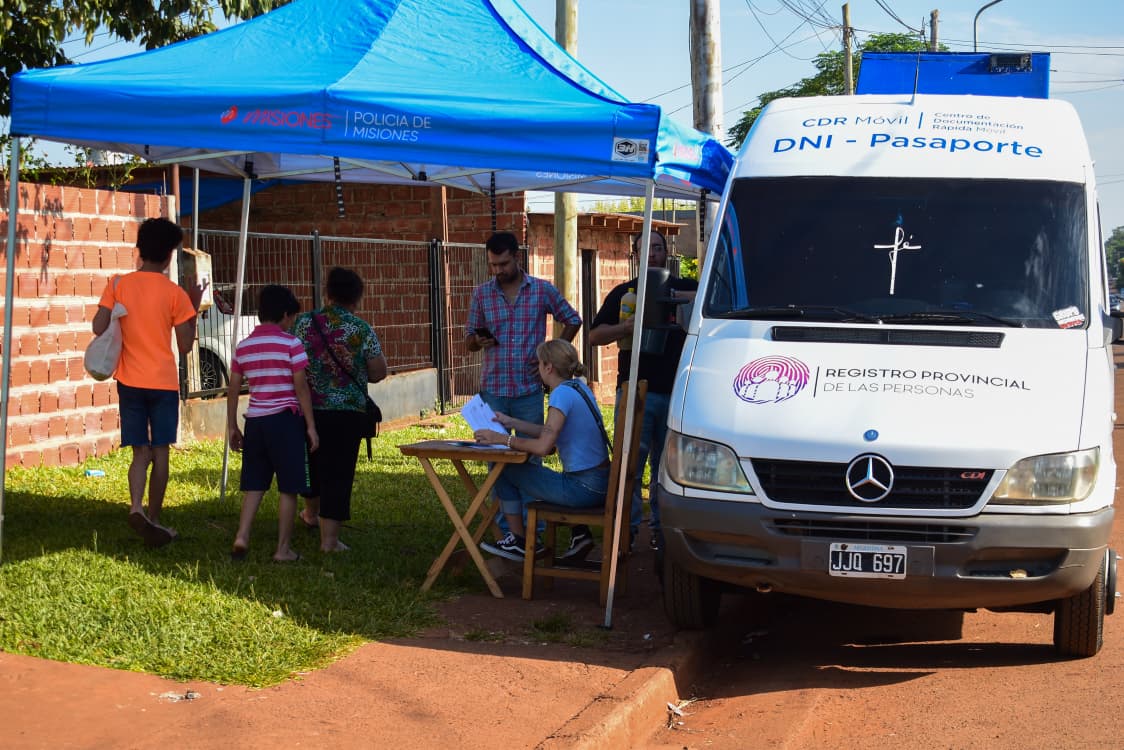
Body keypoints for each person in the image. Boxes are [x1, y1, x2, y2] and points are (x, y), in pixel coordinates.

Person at [92, 217, 205, 548]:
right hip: (163, 383)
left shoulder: (118, 284)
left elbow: (98, 327)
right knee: (161, 451)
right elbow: (185, 346)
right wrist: (192, 308)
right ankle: (154, 519)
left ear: (139, 250)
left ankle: (136, 508)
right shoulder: (175, 294)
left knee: (140, 451)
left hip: (129, 381)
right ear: (169, 255)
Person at [585, 229, 697, 556]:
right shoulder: (625, 293)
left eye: (658, 248)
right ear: (635, 255)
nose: (652, 254)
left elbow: (715, 300)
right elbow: (593, 336)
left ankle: (663, 534)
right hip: (635, 392)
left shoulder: (687, 288)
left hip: (677, 394)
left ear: (667, 252)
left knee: (668, 470)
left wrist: (677, 300)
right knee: (630, 464)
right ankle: (628, 532)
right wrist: (626, 327)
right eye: (645, 249)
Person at [465, 231, 582, 533]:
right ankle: (508, 532)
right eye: (493, 264)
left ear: (517, 257)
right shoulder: (482, 294)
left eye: (503, 263)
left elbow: (573, 319)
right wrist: (477, 341)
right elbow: (468, 340)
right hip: (494, 389)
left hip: (529, 390)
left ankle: (533, 530)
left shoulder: (541, 290)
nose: (498, 270)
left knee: (530, 460)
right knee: (497, 461)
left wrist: (552, 354)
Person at [474, 340, 610, 561]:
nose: (537, 369)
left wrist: (501, 439)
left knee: (503, 468)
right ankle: (579, 533)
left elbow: (543, 447)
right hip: (600, 483)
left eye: (538, 364)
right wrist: (512, 422)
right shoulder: (578, 387)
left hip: (584, 488)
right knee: (515, 468)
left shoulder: (560, 394)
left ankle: (518, 540)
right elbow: (550, 431)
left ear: (548, 367)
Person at [291, 267, 387, 552]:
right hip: (347, 414)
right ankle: (330, 541)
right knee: (339, 473)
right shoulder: (360, 329)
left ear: (327, 292)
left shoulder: (303, 323)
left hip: (308, 409)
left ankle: (310, 514)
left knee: (312, 464)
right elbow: (379, 371)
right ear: (357, 297)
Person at [227, 285, 320, 563]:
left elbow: (233, 390)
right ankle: (283, 549)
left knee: (254, 486)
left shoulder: (243, 347)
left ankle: (242, 535)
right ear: (284, 314)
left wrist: (232, 426)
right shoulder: (292, 345)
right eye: (292, 318)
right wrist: (311, 426)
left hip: (255, 423)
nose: (292, 323)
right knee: (289, 488)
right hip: (285, 422)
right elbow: (301, 389)